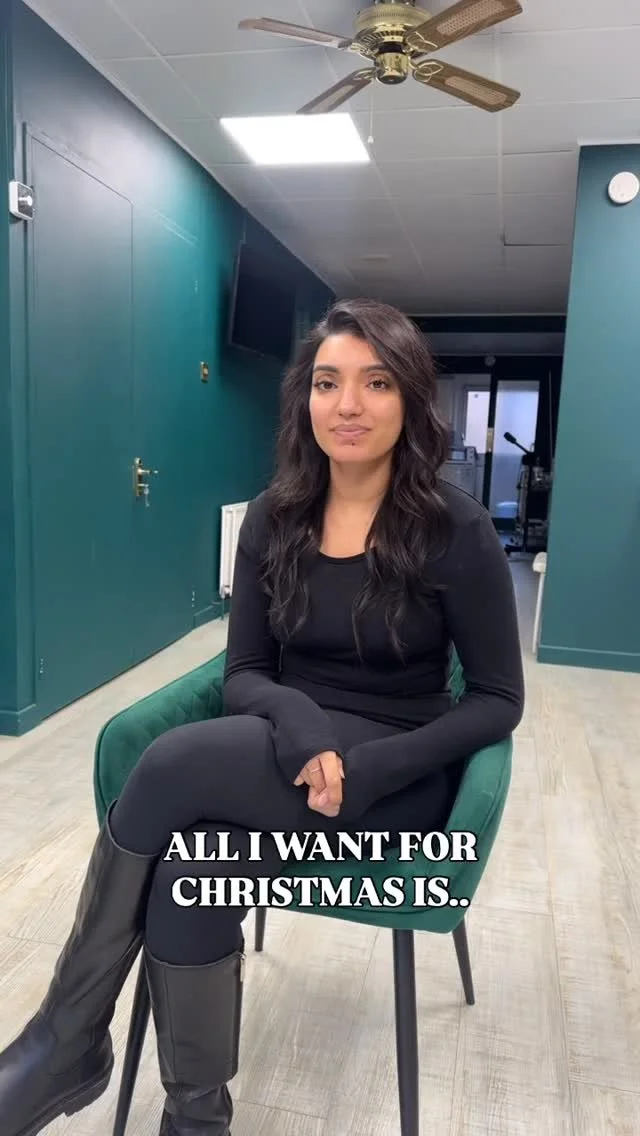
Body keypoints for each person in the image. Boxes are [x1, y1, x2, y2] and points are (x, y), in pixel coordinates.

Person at [0, 297, 524, 1135]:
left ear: (410, 398)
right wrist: (298, 723)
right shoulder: (274, 516)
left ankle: (64, 1041)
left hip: (397, 780)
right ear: (304, 398)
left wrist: (371, 771)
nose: (347, 405)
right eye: (327, 382)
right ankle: (194, 1117)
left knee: (172, 764)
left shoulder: (454, 530)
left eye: (376, 383)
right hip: (290, 756)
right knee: (189, 876)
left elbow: (499, 700)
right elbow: (244, 672)